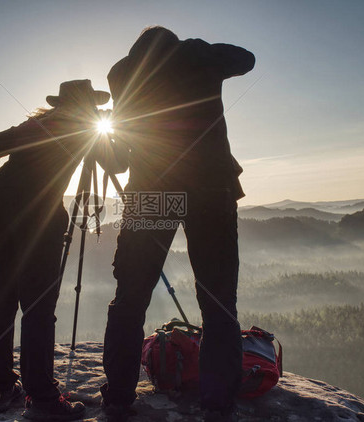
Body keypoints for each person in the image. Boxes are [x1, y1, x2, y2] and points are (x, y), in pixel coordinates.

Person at [100, 27, 255, 422]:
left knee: (130, 297)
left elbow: (117, 162)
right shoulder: (197, 55)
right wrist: (199, 51)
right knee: (219, 302)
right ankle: (218, 404)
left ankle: (118, 396)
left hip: (153, 191)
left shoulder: (122, 75)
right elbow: (246, 58)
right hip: (210, 189)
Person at [0, 79, 110, 421]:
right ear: (88, 105)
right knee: (37, 306)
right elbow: (118, 164)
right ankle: (43, 400)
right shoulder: (81, 126)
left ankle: (1, 387)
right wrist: (107, 131)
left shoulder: (35, 124)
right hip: (40, 214)